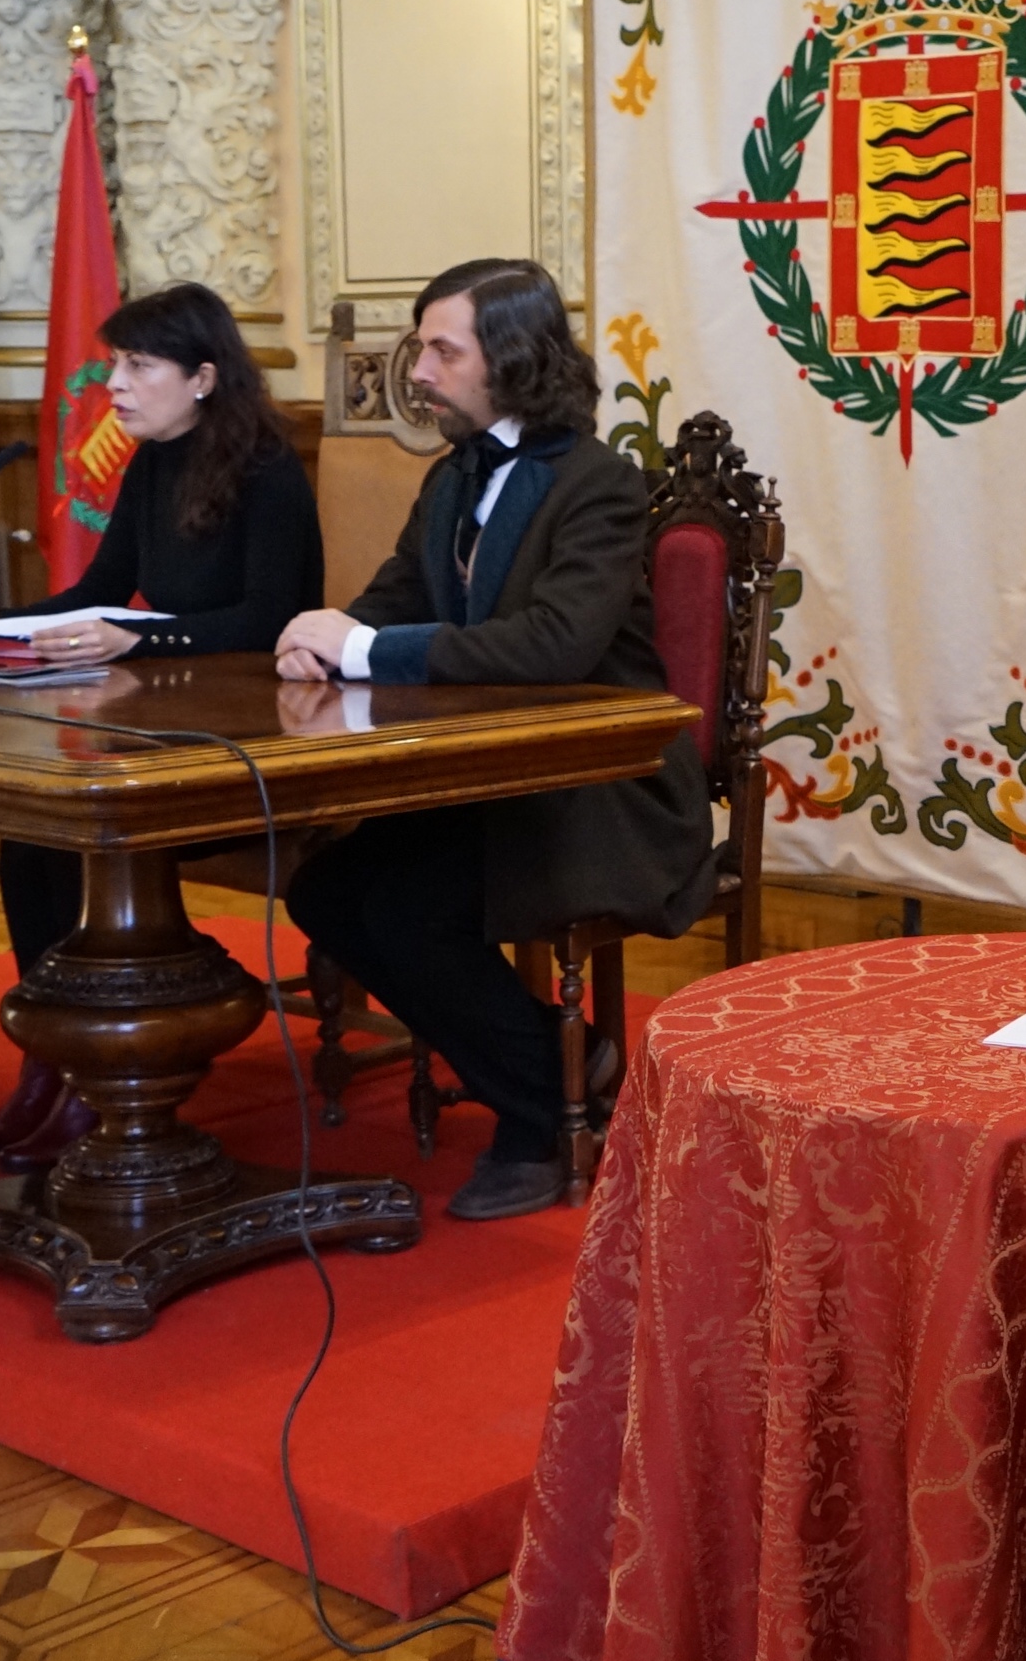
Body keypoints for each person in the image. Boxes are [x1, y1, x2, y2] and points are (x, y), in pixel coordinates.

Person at [274, 258, 714, 1221]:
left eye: (443, 351)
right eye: (419, 348)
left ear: (512, 360)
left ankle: (535, 1115)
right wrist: (324, 639)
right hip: (496, 780)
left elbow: (556, 644)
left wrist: (364, 649)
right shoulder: (451, 478)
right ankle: (566, 1065)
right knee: (326, 890)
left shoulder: (598, 484)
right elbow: (391, 600)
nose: (419, 371)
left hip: (600, 787)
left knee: (406, 913)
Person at [0, 281, 325, 1166]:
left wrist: (144, 637)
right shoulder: (153, 462)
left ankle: (95, 1071)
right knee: (31, 831)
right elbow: (97, 592)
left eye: (137, 365)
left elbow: (272, 618)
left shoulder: (268, 470)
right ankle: (54, 1058)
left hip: (250, 743)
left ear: (202, 377)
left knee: (82, 829)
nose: (113, 384)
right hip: (165, 725)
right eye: (115, 363)